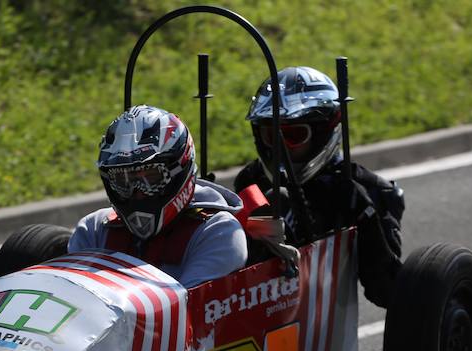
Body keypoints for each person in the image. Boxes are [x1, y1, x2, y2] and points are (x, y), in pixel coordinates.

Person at [233, 66, 405, 307]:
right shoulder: (251, 181)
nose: (281, 149)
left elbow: (387, 293)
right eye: (272, 136)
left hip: (324, 326)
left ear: (324, 131)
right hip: (257, 313)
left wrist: (366, 219)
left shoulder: (369, 191)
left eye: (293, 136)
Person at [68, 105, 248, 288]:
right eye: (123, 180)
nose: (137, 192)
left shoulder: (218, 231)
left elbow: (186, 310)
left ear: (178, 169)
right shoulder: (94, 230)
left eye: (151, 177)